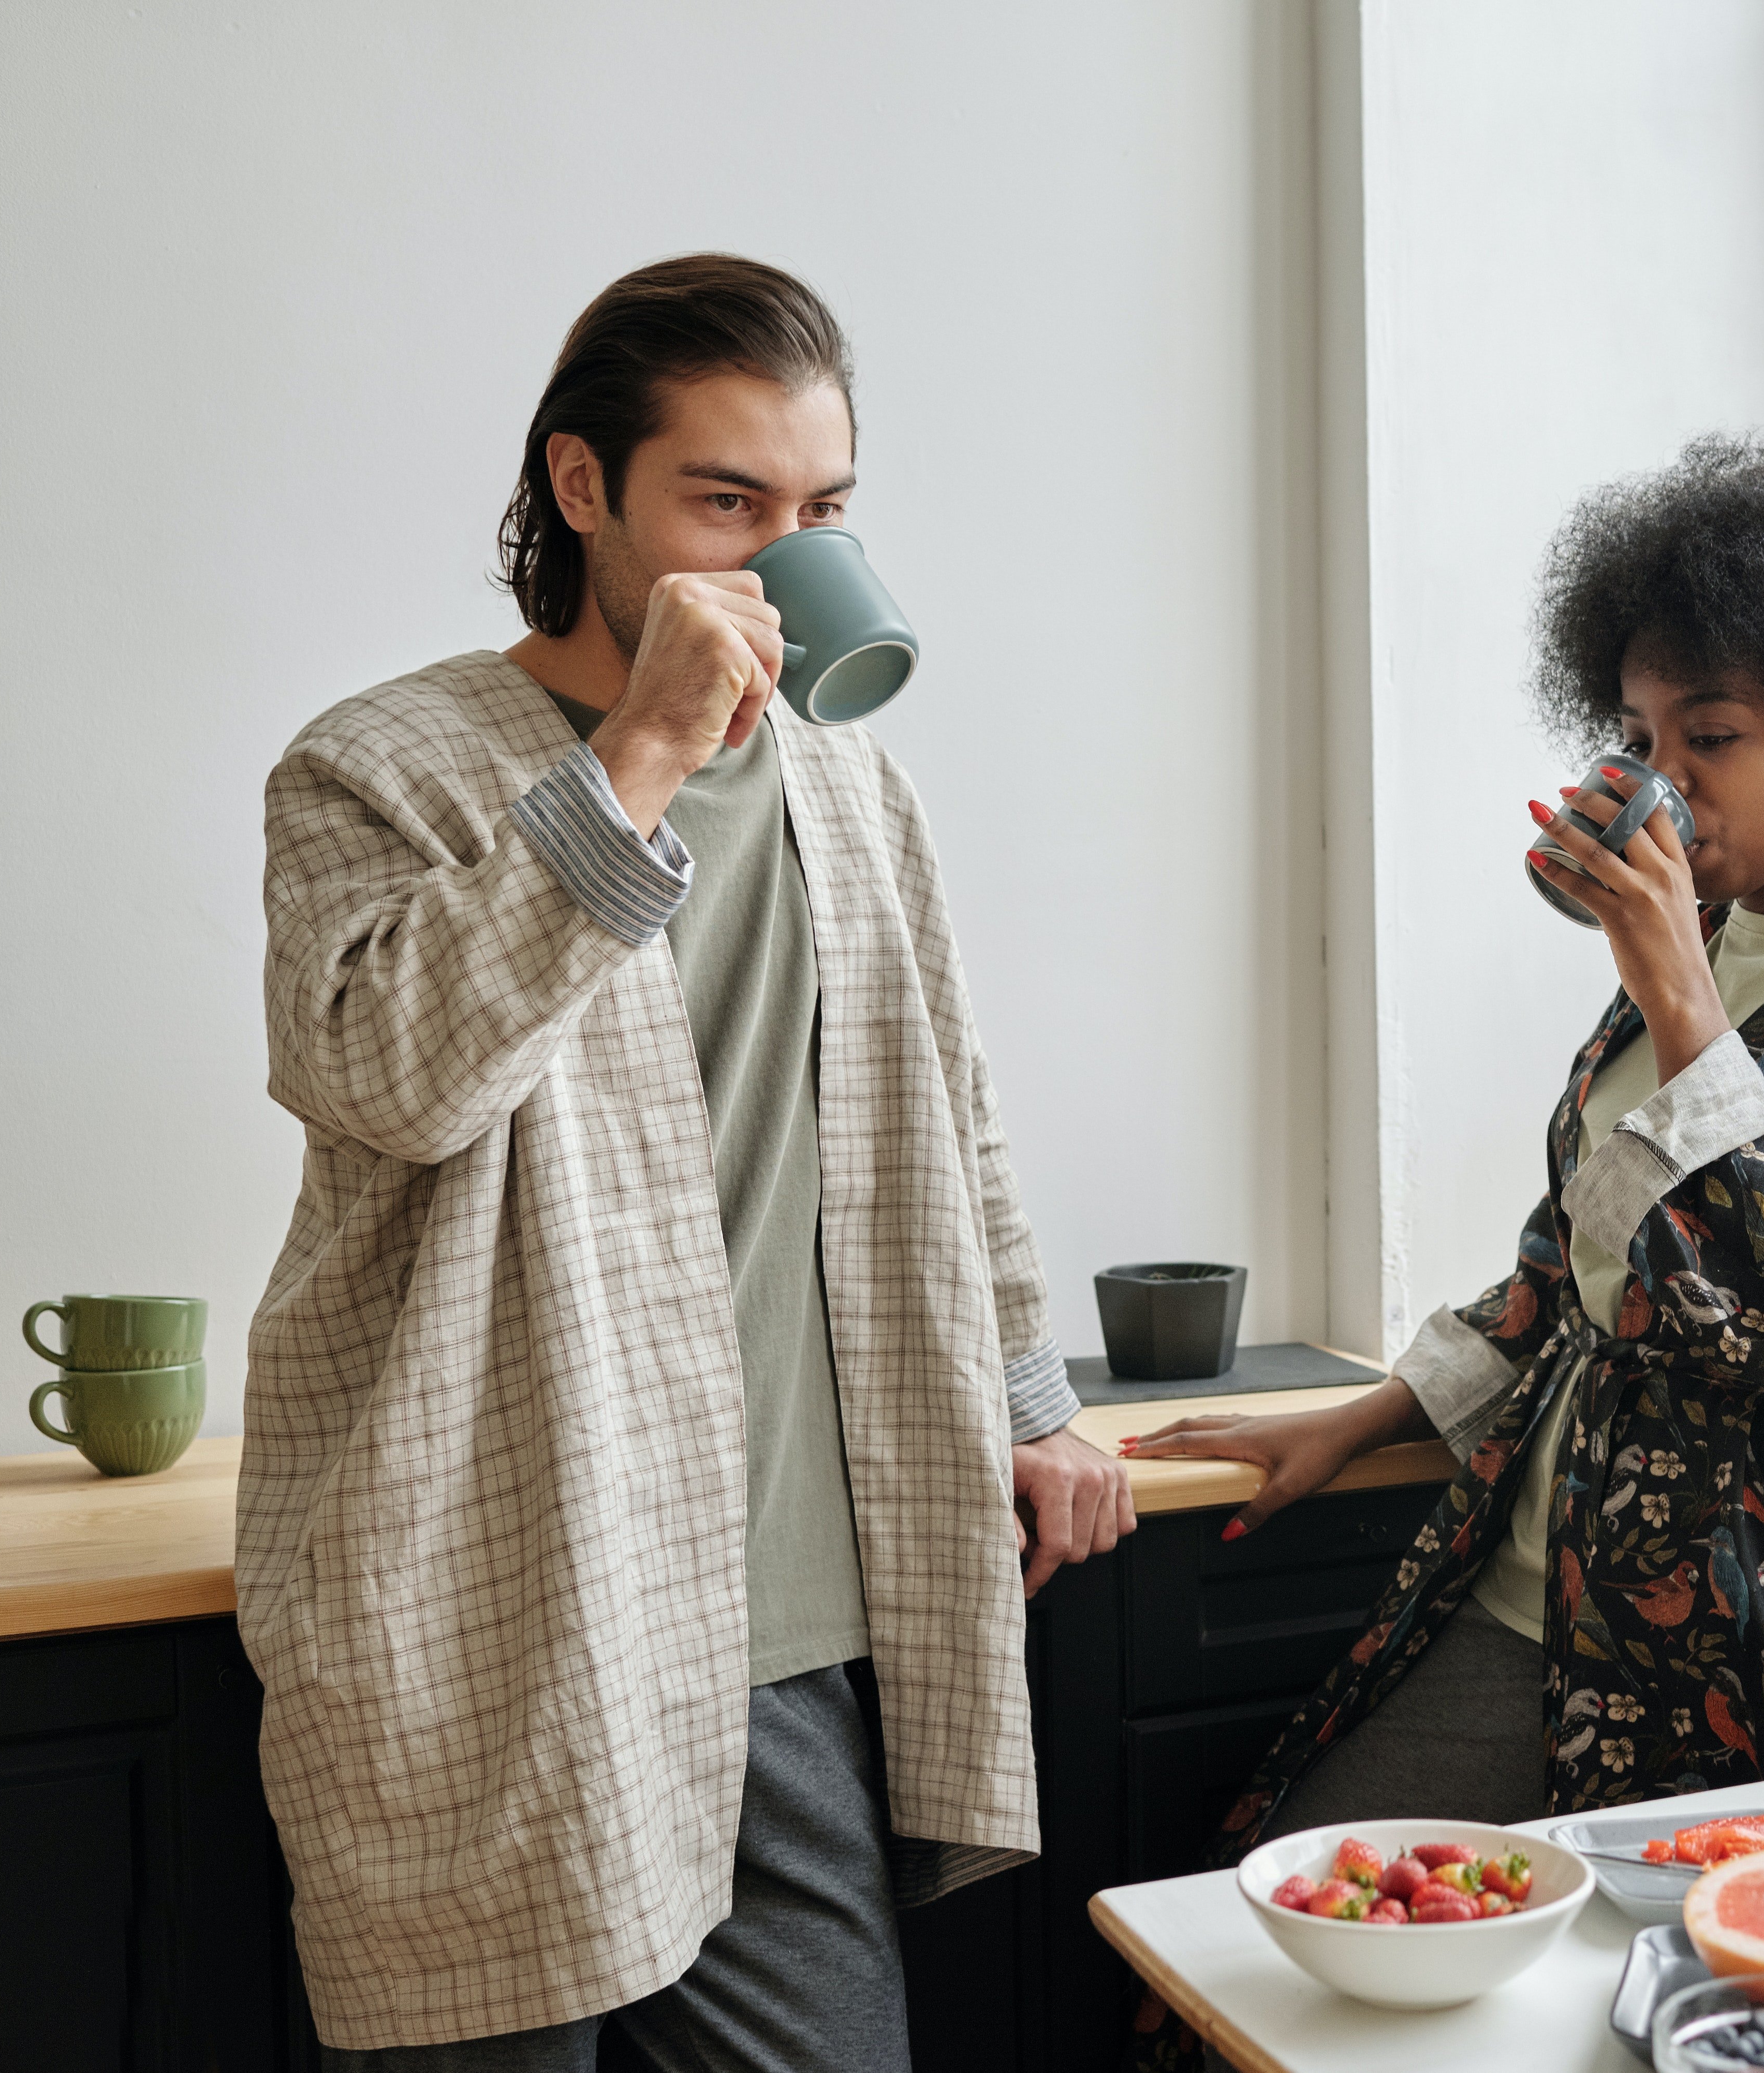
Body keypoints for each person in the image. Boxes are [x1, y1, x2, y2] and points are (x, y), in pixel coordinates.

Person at [239, 254, 1132, 2070]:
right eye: (727, 501)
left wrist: (1033, 1394)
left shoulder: (849, 783)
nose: (778, 550)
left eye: (821, 509)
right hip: (502, 1623)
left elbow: (945, 1105)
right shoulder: (376, 767)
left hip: (790, 1628)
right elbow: (394, 1078)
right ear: (584, 488)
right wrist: (641, 749)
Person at [1127, 435, 1764, 1858]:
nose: (1665, 779)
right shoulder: (1700, 936)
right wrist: (1368, 1414)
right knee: (1300, 1903)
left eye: (1715, 735)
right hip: (1550, 1584)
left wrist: (1678, 993)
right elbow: (1574, 1252)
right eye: (1640, 738)